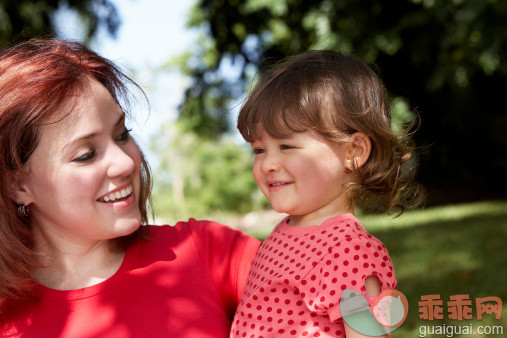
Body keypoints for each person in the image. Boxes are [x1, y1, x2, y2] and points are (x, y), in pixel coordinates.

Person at [0, 38, 260, 337]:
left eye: (122, 135)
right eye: (86, 155)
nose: (125, 163)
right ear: (17, 185)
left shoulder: (213, 253)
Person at [230, 50, 423, 337]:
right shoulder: (282, 233)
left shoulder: (347, 249)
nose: (267, 164)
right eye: (259, 150)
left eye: (287, 146)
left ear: (353, 152)